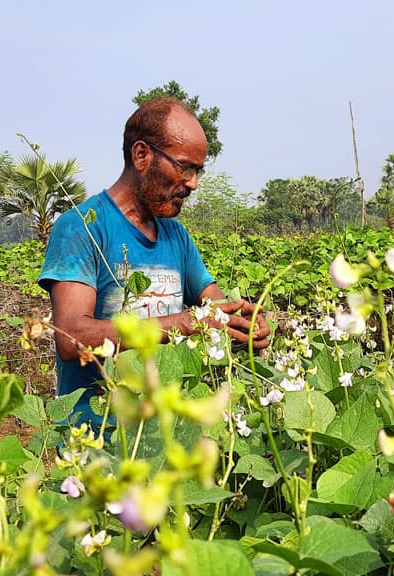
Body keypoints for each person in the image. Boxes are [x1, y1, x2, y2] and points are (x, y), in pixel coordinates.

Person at [39, 96, 270, 429]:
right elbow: (71, 337)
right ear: (142, 155)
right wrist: (181, 324)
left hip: (167, 438)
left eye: (198, 170)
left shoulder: (176, 236)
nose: (193, 183)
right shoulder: (82, 226)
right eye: (184, 166)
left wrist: (245, 324)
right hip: (98, 443)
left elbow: (216, 308)